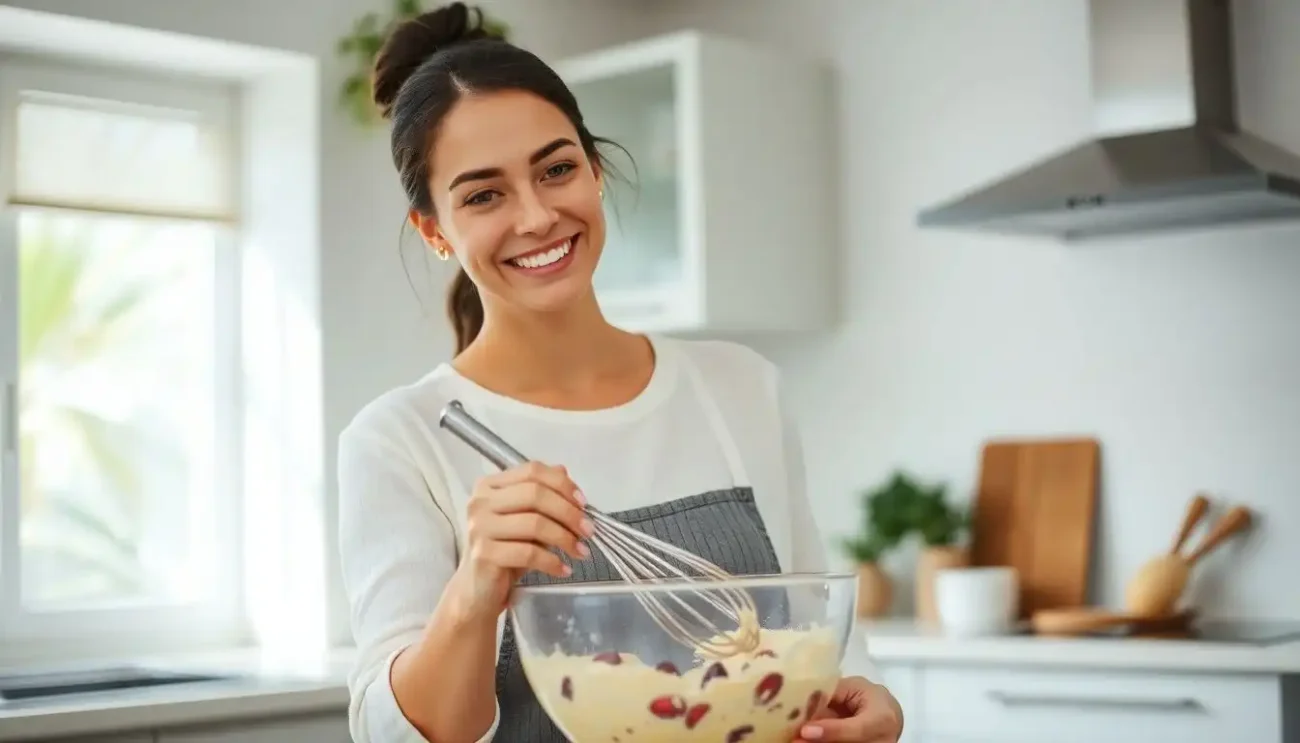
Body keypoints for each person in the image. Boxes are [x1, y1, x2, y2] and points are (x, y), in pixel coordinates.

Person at [336, 3, 904, 742]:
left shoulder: (741, 388)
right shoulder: (397, 440)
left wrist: (873, 706)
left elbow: (823, 648)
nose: (537, 216)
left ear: (595, 172)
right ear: (435, 230)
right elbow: (397, 732)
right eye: (484, 194)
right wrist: (475, 589)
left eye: (557, 169)